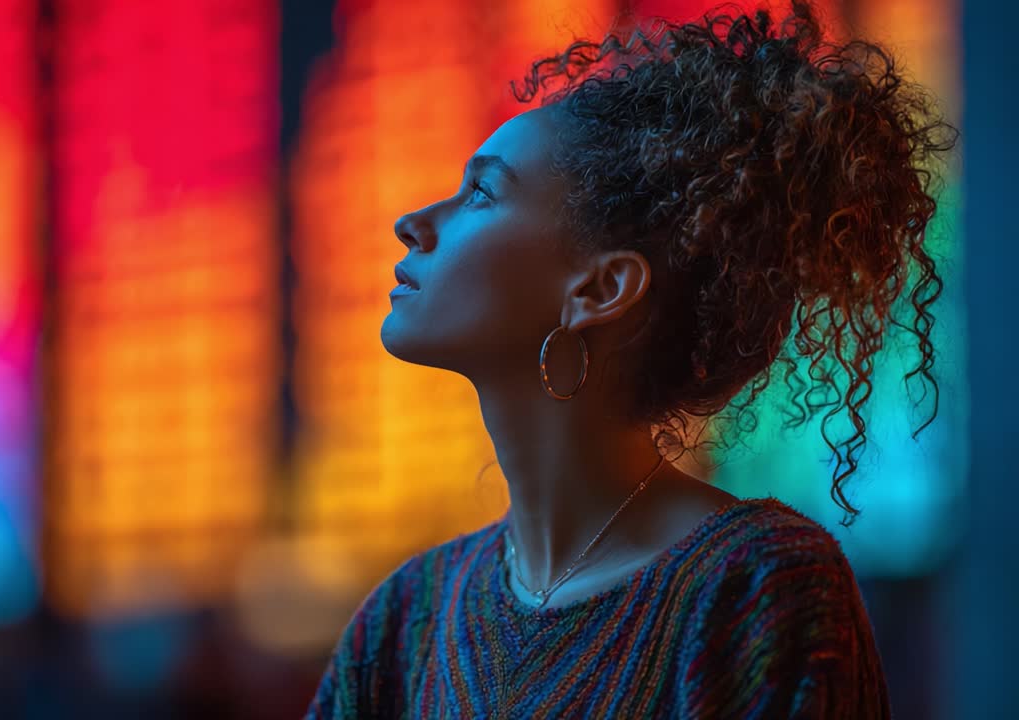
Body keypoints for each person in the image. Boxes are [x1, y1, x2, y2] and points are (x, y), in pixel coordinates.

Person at [305, 1, 957, 717]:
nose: (413, 224)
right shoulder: (406, 620)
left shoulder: (753, 586)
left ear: (600, 288)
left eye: (482, 194)